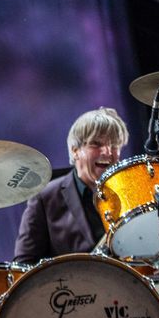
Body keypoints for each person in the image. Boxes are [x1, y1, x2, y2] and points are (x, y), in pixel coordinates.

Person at [14, 107, 129, 264]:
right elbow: (23, 265)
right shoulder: (45, 199)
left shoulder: (127, 193)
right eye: (96, 144)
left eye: (114, 145)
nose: (108, 152)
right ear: (75, 151)